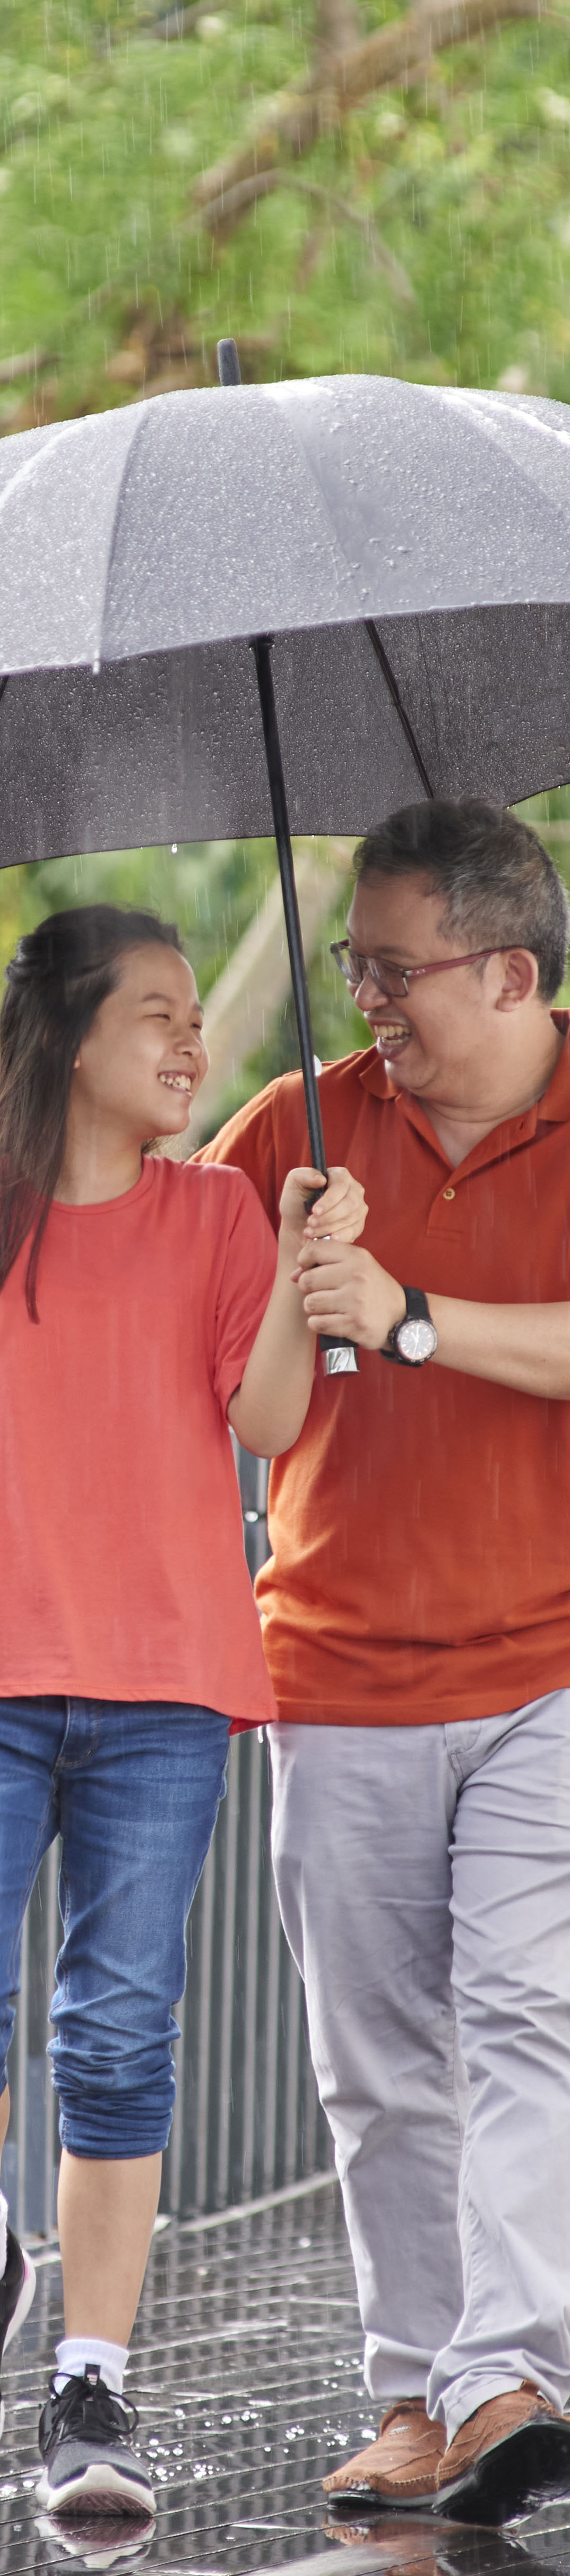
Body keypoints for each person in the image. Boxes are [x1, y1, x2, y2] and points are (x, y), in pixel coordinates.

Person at [197, 797, 570, 2524]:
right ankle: (420, 2394)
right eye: (347, 965)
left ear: (508, 970)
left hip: (548, 1670)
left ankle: (513, 2373)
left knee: (521, 2015)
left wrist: (409, 1316)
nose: (365, 1004)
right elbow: (200, 1356)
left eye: (393, 970)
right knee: (375, 2069)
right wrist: (289, 1268)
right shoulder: (300, 1125)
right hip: (331, 1673)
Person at [0, 899, 365, 2523]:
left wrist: (303, 1265)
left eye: (187, 1011)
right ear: (72, 1034)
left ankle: (93, 2386)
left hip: (161, 1692)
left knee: (118, 2038)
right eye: (152, 1011)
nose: (186, 1039)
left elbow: (275, 1416)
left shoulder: (221, 1214)